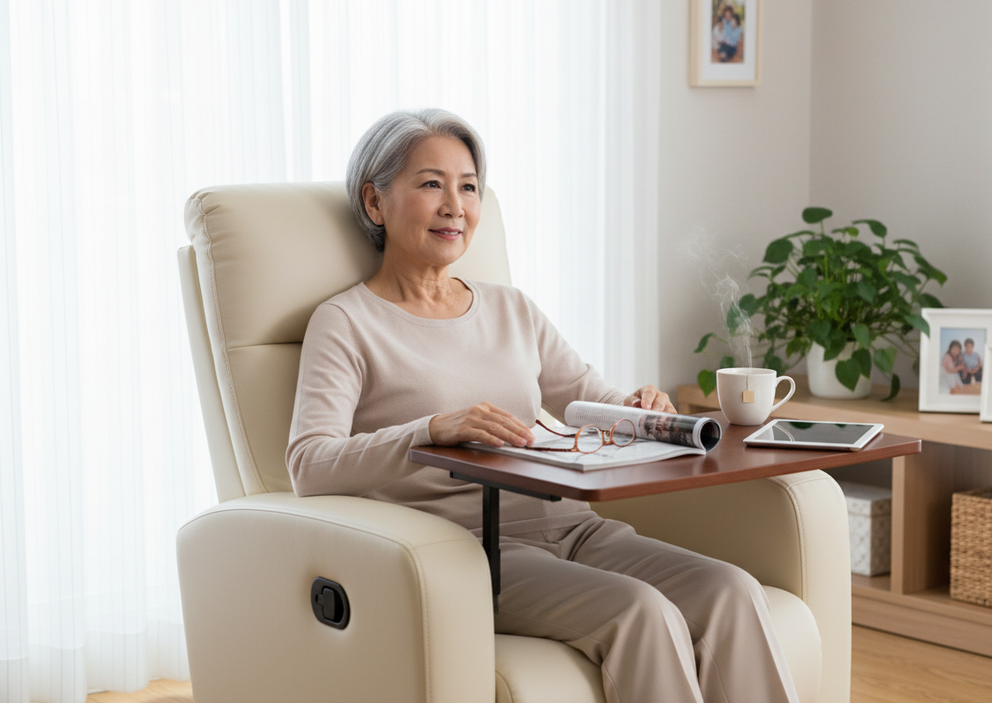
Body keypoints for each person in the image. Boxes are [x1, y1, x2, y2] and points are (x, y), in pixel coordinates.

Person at [286, 109, 799, 703]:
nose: (456, 205)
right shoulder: (346, 322)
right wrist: (431, 429)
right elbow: (309, 463)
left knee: (730, 590)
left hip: (573, 526)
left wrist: (641, 406)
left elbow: (588, 395)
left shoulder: (512, 309)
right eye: (432, 184)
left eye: (469, 186)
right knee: (641, 612)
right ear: (375, 203)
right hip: (470, 550)